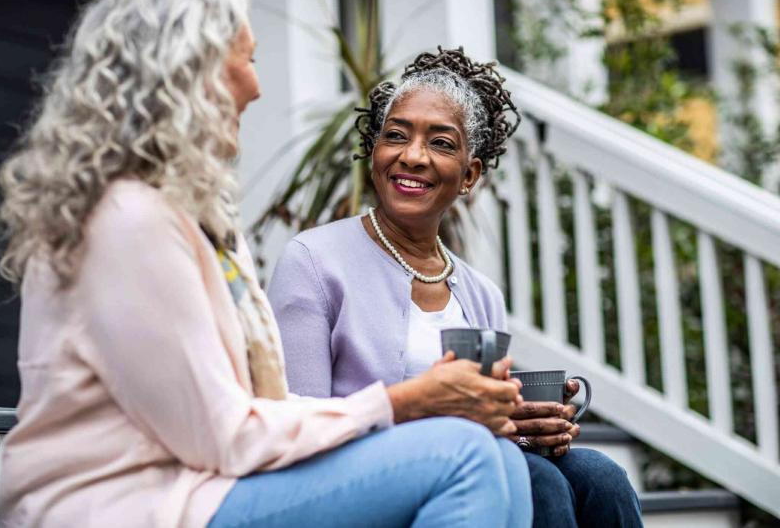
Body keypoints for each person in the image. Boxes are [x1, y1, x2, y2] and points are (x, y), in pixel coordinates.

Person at [0, 0, 533, 527]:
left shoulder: (191, 214)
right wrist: (404, 403)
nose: (256, 86)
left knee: (505, 458)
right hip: (121, 503)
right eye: (247, 60)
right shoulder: (127, 220)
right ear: (190, 71)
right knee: (462, 455)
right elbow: (222, 436)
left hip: (198, 485)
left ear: (471, 174)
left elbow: (251, 410)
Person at [268, 46, 643, 528]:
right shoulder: (314, 261)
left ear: (469, 175)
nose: (412, 156)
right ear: (374, 152)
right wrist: (453, 418)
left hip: (470, 462)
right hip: (358, 479)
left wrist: (521, 423)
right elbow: (299, 424)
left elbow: (482, 424)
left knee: (600, 474)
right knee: (538, 481)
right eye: (395, 136)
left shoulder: (480, 293)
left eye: (441, 143)